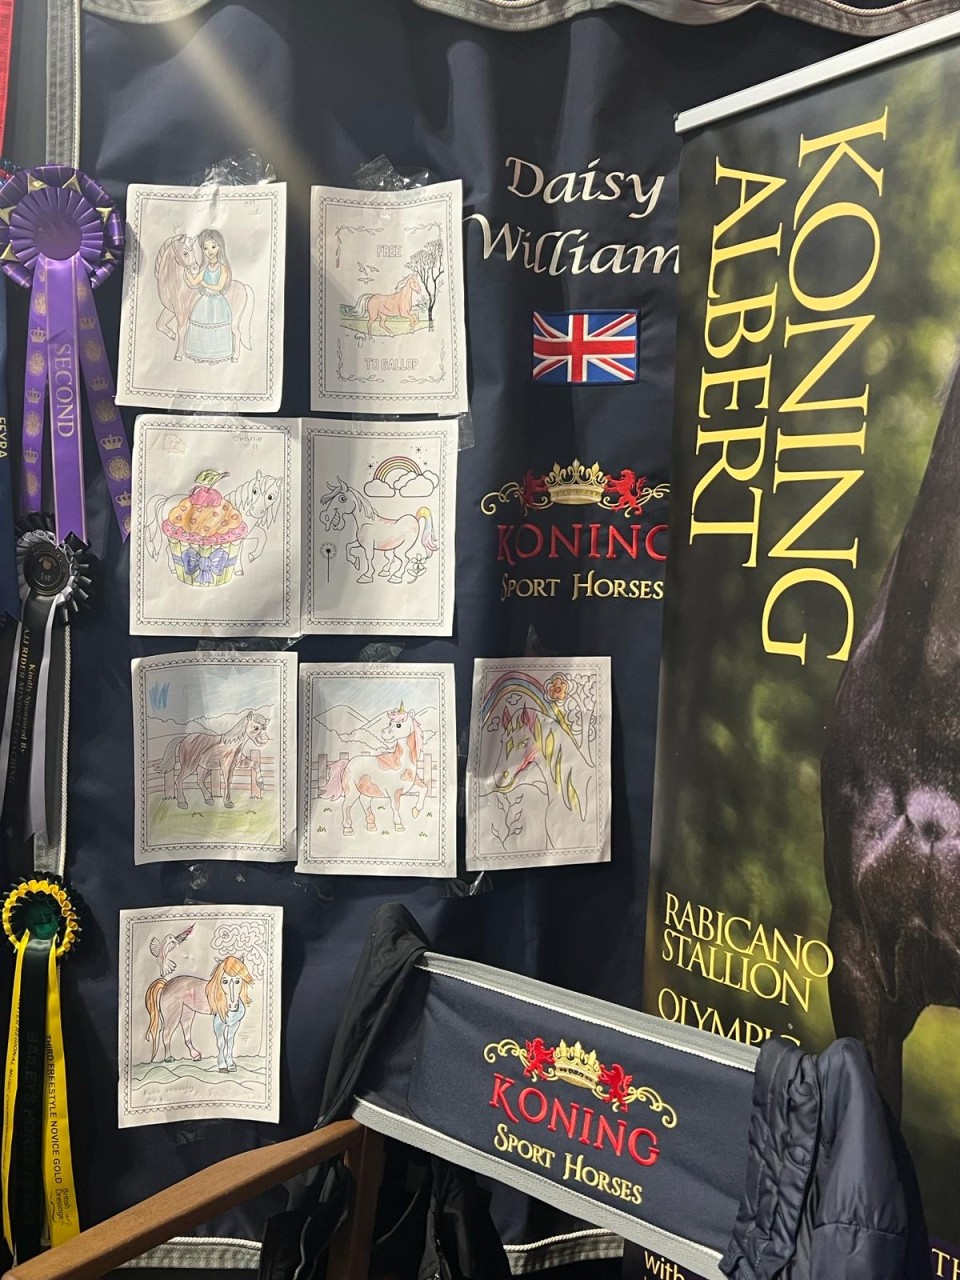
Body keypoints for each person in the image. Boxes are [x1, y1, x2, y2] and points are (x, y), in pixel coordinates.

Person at [182, 229, 235, 363]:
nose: (209, 251)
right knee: (202, 326)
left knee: (217, 326)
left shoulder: (223, 268)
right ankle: (202, 355)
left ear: (219, 247)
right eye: (205, 248)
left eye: (213, 246)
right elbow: (194, 282)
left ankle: (217, 356)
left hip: (217, 302)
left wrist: (205, 284)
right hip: (204, 302)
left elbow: (219, 287)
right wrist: (186, 271)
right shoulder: (205, 269)